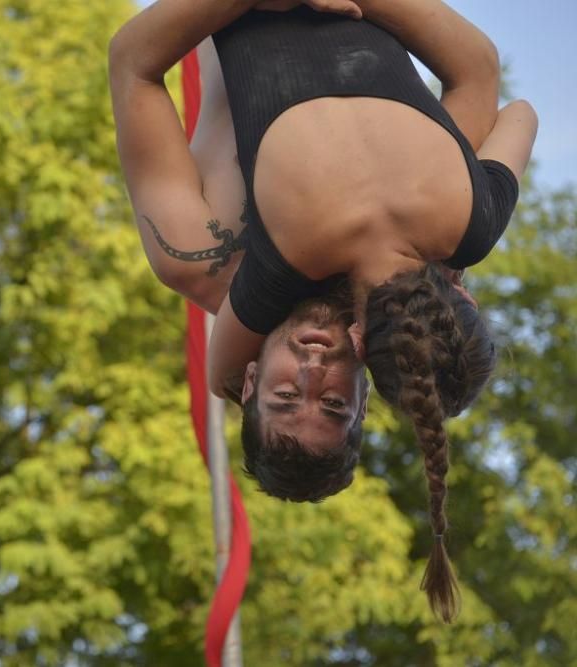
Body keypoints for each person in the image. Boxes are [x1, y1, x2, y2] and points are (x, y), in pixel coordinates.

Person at [108, 0, 537, 621]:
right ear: (366, 386)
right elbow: (475, 77)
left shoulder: (203, 256)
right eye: (332, 403)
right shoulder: (432, 248)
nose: (310, 374)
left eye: (285, 399)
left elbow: (133, 64)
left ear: (249, 384)